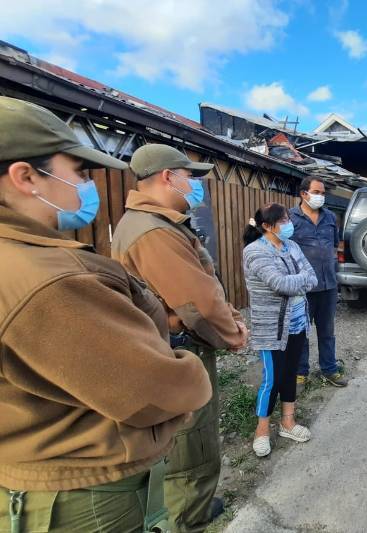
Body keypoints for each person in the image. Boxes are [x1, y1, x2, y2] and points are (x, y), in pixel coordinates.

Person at [0, 96, 211, 532]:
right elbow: (149, 387)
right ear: (25, 177)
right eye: (76, 171)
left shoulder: (27, 257)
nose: (85, 183)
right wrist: (192, 373)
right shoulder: (45, 277)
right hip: (78, 493)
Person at [112, 144, 249, 532]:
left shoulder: (156, 223)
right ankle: (188, 517)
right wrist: (232, 334)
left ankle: (195, 507)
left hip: (173, 345)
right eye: (190, 176)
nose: (195, 184)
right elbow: (199, 302)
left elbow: (204, 288)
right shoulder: (153, 231)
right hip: (178, 349)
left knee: (190, 439)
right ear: (167, 176)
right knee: (192, 444)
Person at [243, 203, 317, 457]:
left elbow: (313, 276)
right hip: (271, 328)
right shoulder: (255, 251)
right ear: (267, 226)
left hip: (297, 322)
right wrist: (302, 281)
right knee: (271, 379)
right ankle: (261, 430)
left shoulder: (292, 246)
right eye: (283, 220)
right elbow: (279, 283)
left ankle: (288, 422)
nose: (289, 223)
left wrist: (300, 281)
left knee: (290, 374)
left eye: (288, 219)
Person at [288, 177, 347, 388]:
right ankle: (300, 372)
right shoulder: (289, 218)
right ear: (304, 194)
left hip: (328, 284)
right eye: (317, 192)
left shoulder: (330, 217)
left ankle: (329, 369)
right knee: (300, 331)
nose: (321, 196)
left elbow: (333, 245)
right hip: (302, 287)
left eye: (323, 193)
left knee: (327, 331)